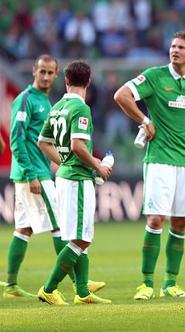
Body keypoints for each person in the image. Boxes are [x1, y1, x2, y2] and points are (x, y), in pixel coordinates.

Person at [114, 31, 185, 300]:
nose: (175, 50)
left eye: (181, 47)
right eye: (172, 46)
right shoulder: (155, 76)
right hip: (159, 160)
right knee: (156, 218)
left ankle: (170, 283)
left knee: (181, 224)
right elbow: (121, 95)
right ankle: (146, 283)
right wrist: (143, 120)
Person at [4, 55, 105, 298]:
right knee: (62, 228)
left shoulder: (52, 103)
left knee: (24, 228)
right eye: (42, 72)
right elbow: (16, 139)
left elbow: (43, 141)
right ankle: (72, 285)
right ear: (33, 71)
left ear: (60, 76)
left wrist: (62, 163)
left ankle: (11, 285)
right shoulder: (27, 99)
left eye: (51, 72)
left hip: (44, 172)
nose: (46, 76)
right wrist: (31, 174)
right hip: (34, 173)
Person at [37, 60, 112, 305]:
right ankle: (49, 289)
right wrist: (97, 165)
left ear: (66, 81)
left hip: (66, 177)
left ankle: (82, 292)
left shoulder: (57, 107)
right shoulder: (81, 109)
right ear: (88, 82)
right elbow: (78, 146)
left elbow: (43, 142)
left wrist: (64, 161)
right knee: (82, 238)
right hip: (78, 180)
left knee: (77, 237)